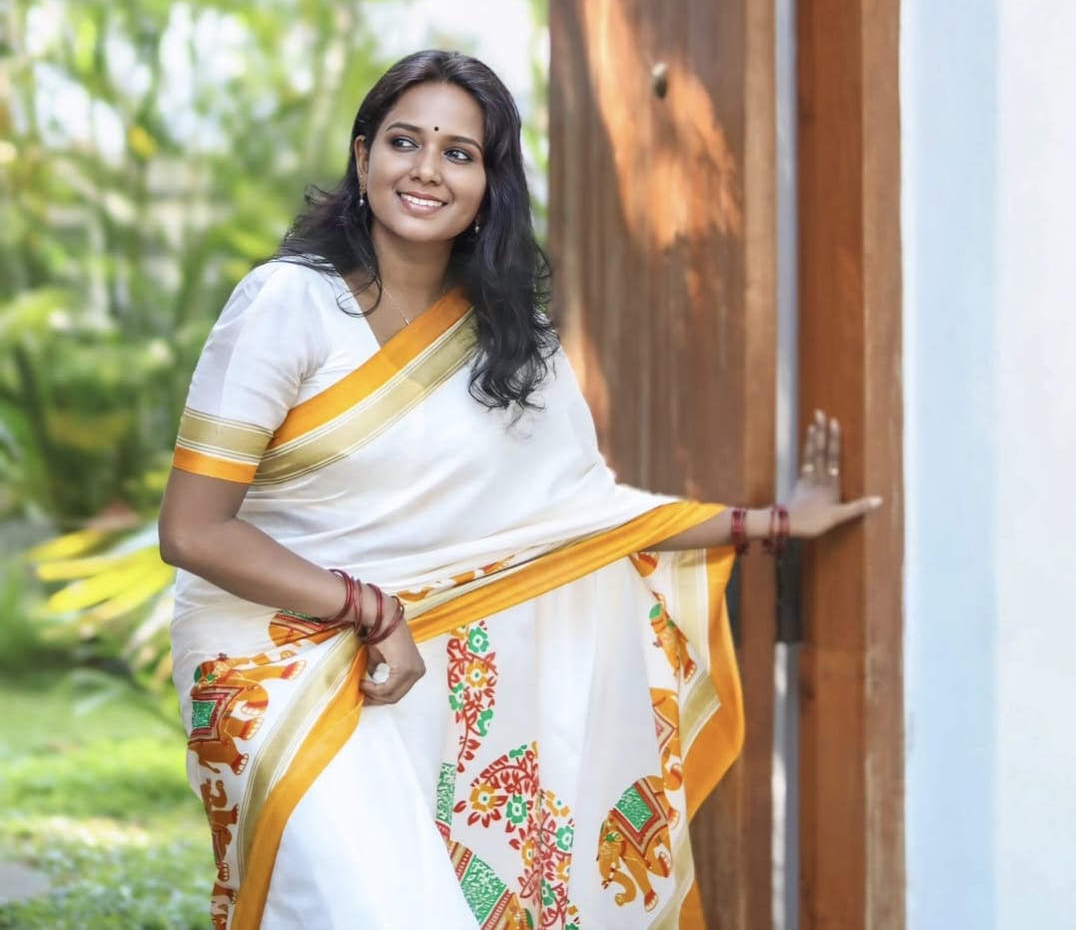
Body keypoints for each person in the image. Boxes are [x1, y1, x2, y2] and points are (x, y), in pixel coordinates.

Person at [158, 49, 879, 930]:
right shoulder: (288, 305)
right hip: (265, 655)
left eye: (459, 153)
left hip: (428, 652)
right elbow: (194, 532)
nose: (426, 169)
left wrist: (773, 522)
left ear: (491, 184)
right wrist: (371, 610)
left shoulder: (514, 343)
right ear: (361, 159)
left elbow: (577, 519)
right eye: (403, 142)